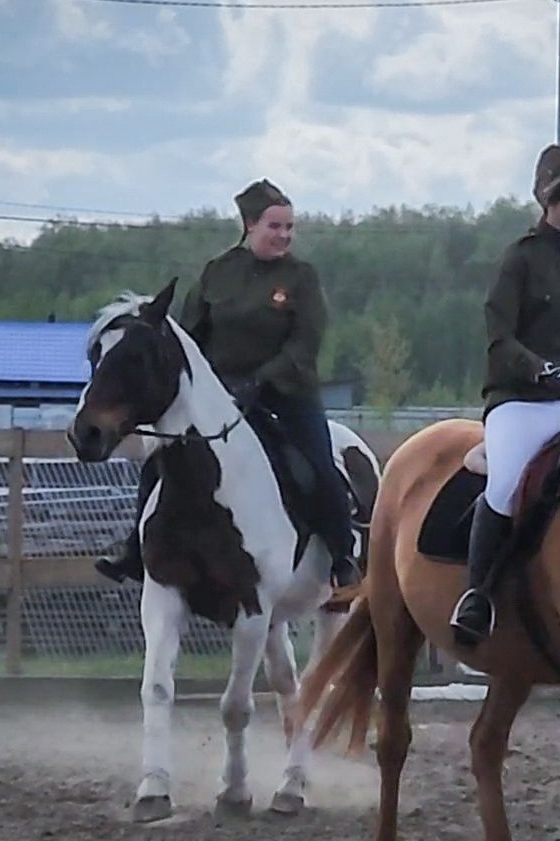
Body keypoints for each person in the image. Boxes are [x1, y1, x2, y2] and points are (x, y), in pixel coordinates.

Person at [95, 178, 361, 589]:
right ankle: (134, 549)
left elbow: (304, 345)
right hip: (218, 393)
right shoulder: (216, 273)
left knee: (318, 468)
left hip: (285, 392)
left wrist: (260, 380)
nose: (284, 235)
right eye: (275, 227)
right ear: (250, 226)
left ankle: (342, 554)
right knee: (160, 460)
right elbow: (188, 336)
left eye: (290, 227)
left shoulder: (301, 277)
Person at [448, 144, 560, 649]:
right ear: (554, 197)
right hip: (520, 400)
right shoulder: (519, 259)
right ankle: (477, 594)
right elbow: (500, 335)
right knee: (504, 486)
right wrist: (539, 368)